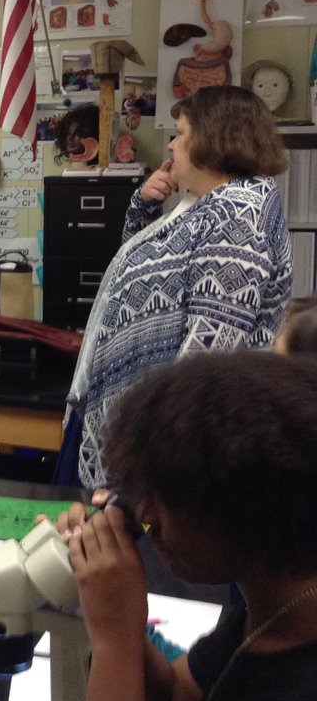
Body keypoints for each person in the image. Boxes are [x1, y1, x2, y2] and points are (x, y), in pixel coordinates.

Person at [54, 84, 292, 490]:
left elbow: (209, 346)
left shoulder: (239, 215)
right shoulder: (203, 202)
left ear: (213, 138)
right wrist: (143, 204)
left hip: (163, 442)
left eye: (179, 133)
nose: (169, 146)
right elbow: (133, 263)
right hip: (130, 412)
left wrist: (152, 452)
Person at [62, 352, 317, 701]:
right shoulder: (271, 612)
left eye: (165, 497)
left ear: (243, 508)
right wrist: (112, 608)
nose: (146, 515)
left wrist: (114, 640)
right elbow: (179, 693)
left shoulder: (299, 690)